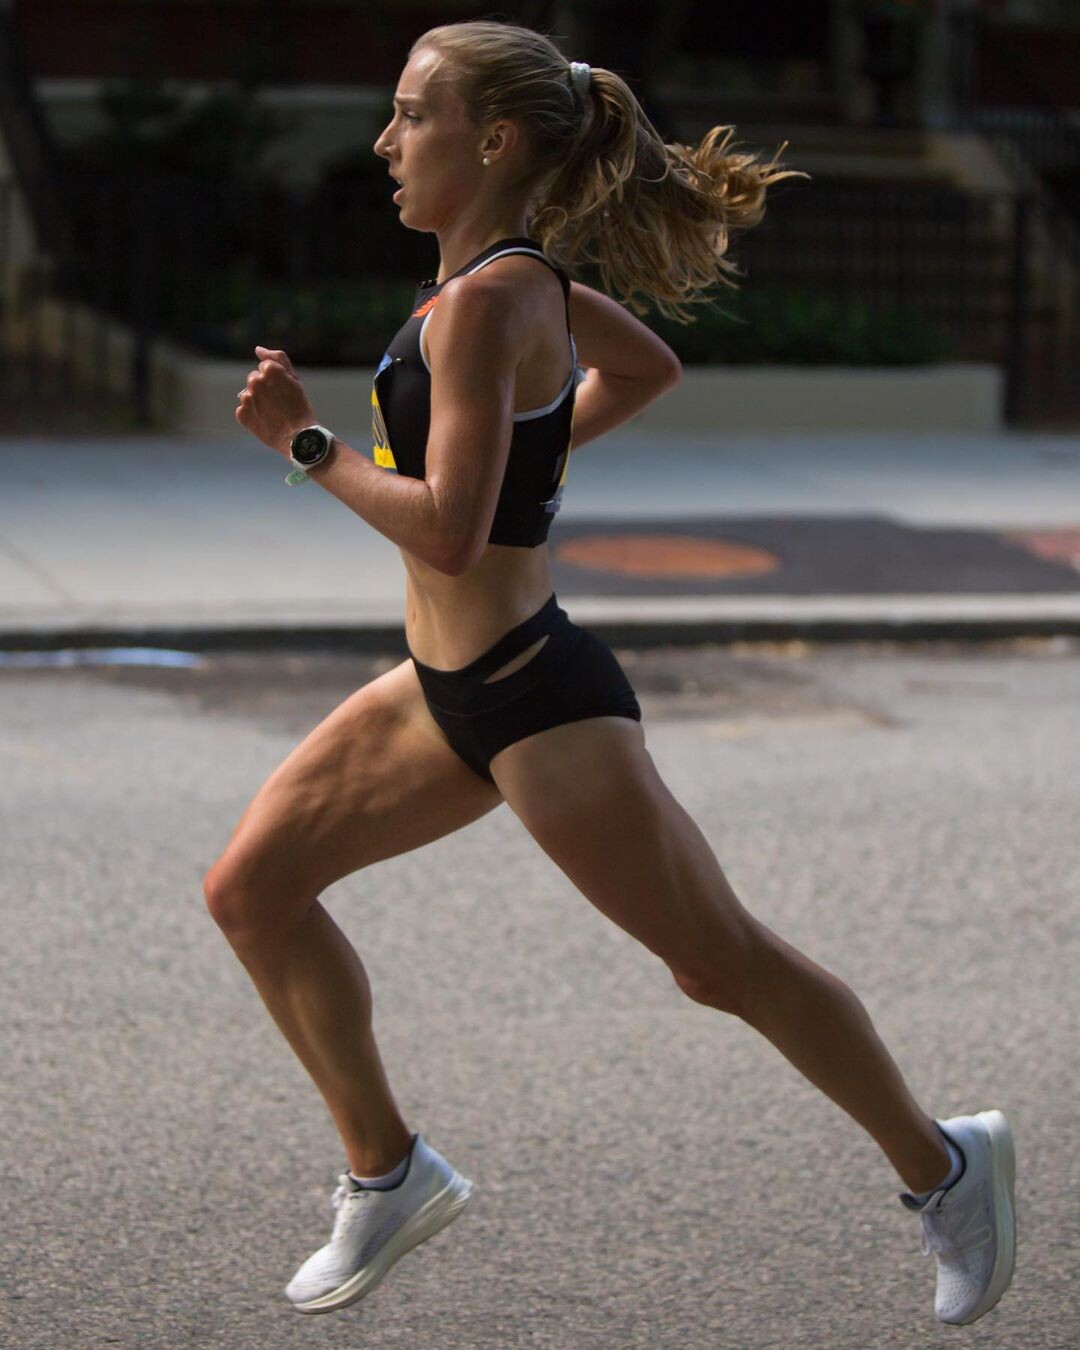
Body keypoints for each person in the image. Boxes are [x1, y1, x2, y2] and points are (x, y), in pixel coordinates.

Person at [208, 17, 1016, 1326]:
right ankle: (389, 1170)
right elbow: (646, 368)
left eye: (411, 113)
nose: (386, 140)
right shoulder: (507, 285)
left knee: (721, 962)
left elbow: (450, 530)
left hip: (536, 697)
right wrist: (528, 460)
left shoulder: (487, 302)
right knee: (251, 890)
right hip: (443, 690)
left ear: (494, 140)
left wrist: (307, 445)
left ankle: (946, 1165)